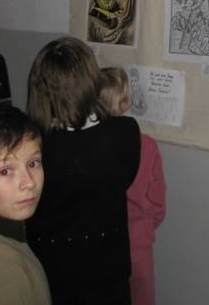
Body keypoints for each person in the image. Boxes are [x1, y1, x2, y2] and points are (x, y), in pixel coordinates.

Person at [25, 37, 141, 305]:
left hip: (56, 273)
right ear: (92, 80)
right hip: (108, 271)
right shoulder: (125, 131)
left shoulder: (35, 144)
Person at [100, 67, 166, 305]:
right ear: (126, 102)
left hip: (102, 240)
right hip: (138, 241)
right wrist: (147, 224)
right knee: (142, 295)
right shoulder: (146, 145)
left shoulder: (91, 145)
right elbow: (158, 201)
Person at [0, 105, 51, 304]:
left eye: (33, 163)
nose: (29, 183)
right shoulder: (5, 271)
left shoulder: (12, 233)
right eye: (5, 171)